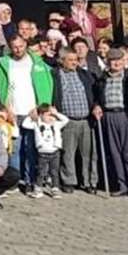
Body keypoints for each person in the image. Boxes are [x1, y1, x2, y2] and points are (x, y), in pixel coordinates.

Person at [0, 34, 54, 191]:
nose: (18, 50)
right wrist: (6, 108)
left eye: (21, 46)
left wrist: (40, 108)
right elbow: (2, 88)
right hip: (14, 112)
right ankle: (14, 181)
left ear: (26, 44)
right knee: (13, 150)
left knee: (31, 149)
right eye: (14, 47)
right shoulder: (4, 63)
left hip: (32, 112)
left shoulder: (37, 63)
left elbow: (46, 87)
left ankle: (30, 180)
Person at [93, 48, 128, 199]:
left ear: (123, 61)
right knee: (115, 153)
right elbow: (97, 97)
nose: (116, 63)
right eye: (112, 60)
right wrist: (96, 105)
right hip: (108, 115)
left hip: (125, 115)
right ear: (108, 62)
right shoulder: (102, 79)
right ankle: (122, 185)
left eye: (118, 60)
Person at [51, 47, 99, 193]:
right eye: (70, 60)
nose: (74, 63)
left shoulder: (84, 75)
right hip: (68, 120)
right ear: (62, 61)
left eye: (76, 60)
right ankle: (69, 181)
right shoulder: (55, 75)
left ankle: (89, 182)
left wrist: (96, 105)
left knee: (88, 154)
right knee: (68, 153)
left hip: (86, 119)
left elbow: (94, 93)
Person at [20, 104, 69, 198]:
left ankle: (55, 189)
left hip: (55, 152)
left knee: (54, 172)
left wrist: (56, 114)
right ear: (41, 115)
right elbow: (25, 124)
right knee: (41, 172)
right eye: (47, 115)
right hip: (42, 153)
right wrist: (31, 115)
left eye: (51, 115)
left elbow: (66, 120)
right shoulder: (36, 124)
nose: (49, 117)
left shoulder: (56, 124)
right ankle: (38, 189)